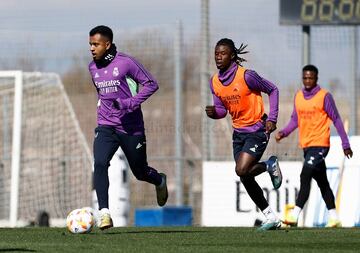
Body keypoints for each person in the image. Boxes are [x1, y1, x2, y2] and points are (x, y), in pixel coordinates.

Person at [88, 25, 168, 230]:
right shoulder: (92, 68)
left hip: (131, 127)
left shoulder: (126, 63)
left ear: (107, 44)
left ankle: (159, 180)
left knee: (140, 172)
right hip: (106, 125)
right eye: (90, 44)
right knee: (99, 162)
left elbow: (151, 84)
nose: (92, 48)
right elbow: (103, 96)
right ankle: (104, 213)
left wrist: (129, 103)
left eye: (95, 44)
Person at [206, 38, 283, 231]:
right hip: (238, 134)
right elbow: (222, 110)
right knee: (245, 176)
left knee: (241, 170)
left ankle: (269, 165)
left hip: (257, 130)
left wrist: (272, 118)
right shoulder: (214, 82)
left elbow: (273, 89)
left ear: (232, 56)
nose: (218, 57)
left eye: (223, 53)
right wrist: (214, 113)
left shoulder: (247, 76)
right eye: (216, 53)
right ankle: (270, 217)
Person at [275, 64, 353, 228]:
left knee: (305, 174)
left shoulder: (324, 96)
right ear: (302, 78)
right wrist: (284, 133)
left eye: (311, 78)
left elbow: (337, 120)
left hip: (320, 145)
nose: (308, 80)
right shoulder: (298, 96)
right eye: (305, 78)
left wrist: (345, 144)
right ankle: (334, 217)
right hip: (307, 146)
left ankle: (294, 215)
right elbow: (295, 120)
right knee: (322, 182)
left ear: (316, 78)